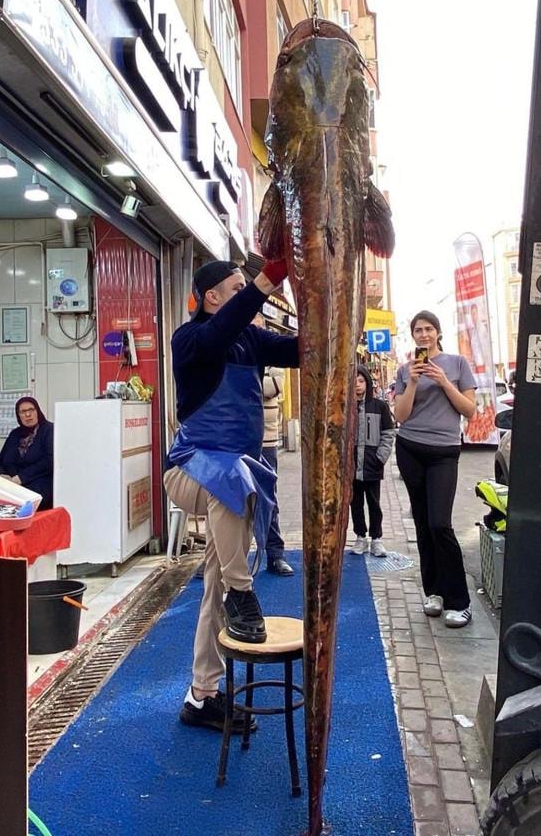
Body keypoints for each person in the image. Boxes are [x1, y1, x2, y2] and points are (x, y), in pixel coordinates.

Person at [164, 258, 296, 734]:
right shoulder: (189, 339)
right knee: (234, 479)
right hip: (188, 470)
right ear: (212, 297)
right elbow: (218, 334)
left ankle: (202, 695)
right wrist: (265, 282)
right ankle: (244, 592)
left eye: (248, 287)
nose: (248, 295)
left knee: (213, 585)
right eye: (238, 288)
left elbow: (303, 350)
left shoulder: (253, 340)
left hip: (236, 480)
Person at [393, 310, 477, 628]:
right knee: (423, 523)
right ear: (413, 335)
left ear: (438, 333)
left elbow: (469, 410)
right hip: (410, 448)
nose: (424, 334)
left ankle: (460, 601)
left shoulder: (457, 364)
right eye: (418, 330)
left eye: (429, 329)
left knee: (440, 523)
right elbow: (401, 416)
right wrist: (413, 382)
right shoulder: (405, 370)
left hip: (444, 452)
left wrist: (443, 382)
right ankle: (434, 592)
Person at [255, 314, 294, 577]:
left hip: (266, 441)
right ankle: (222, 557)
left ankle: (275, 554)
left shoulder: (273, 359)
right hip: (237, 439)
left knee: (268, 498)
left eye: (258, 328)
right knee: (230, 501)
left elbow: (273, 387)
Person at [350, 364, 395, 557]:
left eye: (361, 381)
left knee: (374, 504)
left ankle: (377, 538)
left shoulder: (379, 406)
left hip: (372, 465)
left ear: (367, 383)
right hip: (351, 467)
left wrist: (380, 457)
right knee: (355, 504)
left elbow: (388, 433)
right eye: (354, 381)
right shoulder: (345, 407)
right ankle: (360, 537)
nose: (357, 385)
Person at [0, 396, 54, 508]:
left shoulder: (49, 430)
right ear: (18, 415)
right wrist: (1, 476)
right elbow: (0, 459)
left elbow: (49, 461)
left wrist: (20, 478)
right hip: (11, 488)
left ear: (37, 411)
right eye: (23, 412)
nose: (28, 414)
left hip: (39, 489)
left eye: (31, 410)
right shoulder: (15, 434)